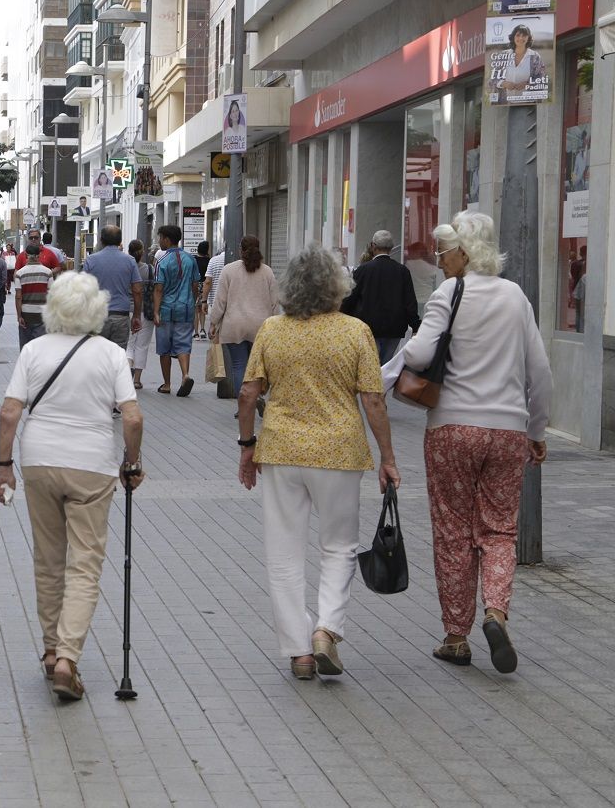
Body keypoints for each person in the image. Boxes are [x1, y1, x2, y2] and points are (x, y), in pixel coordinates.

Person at [385, 211, 552, 673]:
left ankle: (456, 637)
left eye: (443, 253)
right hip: (507, 431)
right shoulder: (516, 297)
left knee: (453, 530)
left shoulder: (450, 292)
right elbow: (540, 371)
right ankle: (496, 612)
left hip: (453, 428)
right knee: (499, 529)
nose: (439, 262)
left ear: (463, 251)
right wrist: (536, 431)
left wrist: (388, 369)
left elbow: (419, 353)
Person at [236, 243, 399, 679]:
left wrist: (247, 445)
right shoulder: (355, 332)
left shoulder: (272, 330)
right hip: (339, 452)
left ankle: (299, 651)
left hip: (283, 452)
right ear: (337, 287)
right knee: (339, 546)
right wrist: (388, 458)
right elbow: (373, 400)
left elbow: (248, 393)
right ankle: (326, 629)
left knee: (284, 551)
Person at [0, 271, 145, 701]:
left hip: (39, 461)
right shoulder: (112, 354)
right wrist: (131, 462)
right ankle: (67, 658)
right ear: (96, 309)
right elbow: (132, 417)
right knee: (85, 564)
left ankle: (49, 650)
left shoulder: (34, 350)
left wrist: (4, 466)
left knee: (48, 558)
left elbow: (9, 413)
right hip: (92, 466)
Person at [209, 235, 278, 409]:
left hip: (234, 325)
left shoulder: (229, 270)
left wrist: (213, 322)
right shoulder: (267, 271)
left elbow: (220, 301)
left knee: (239, 366)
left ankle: (245, 405)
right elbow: (275, 302)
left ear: (240, 249)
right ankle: (258, 396)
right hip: (261, 326)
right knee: (257, 367)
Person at [340, 230, 421, 364]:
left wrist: (342, 317)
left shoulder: (363, 270)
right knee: (387, 364)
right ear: (391, 247)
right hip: (394, 329)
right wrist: (416, 325)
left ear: (373, 246)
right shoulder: (402, 271)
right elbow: (410, 302)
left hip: (369, 328)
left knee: (370, 365)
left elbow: (351, 298)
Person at [152, 225, 201, 396]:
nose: (159, 241)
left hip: (166, 309)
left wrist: (156, 312)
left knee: (164, 348)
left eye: (160, 238)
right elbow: (196, 284)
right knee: (183, 344)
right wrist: (192, 301)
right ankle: (185, 375)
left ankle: (166, 384)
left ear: (166, 239)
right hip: (186, 308)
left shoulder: (161, 262)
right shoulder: (190, 259)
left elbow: (158, 289)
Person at [82, 225, 142, 352]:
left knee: (97, 355)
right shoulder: (130, 261)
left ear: (101, 240)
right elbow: (137, 290)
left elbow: (83, 288)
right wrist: (136, 315)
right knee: (118, 356)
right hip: (120, 316)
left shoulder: (91, 260)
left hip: (97, 316)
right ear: (120, 241)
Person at [125, 240, 155, 390]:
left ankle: (126, 376)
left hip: (127, 310)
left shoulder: (124, 268)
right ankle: (137, 380)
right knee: (142, 346)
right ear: (142, 252)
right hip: (146, 310)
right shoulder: (150, 269)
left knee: (129, 345)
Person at [14, 244, 53, 348]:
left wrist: (19, 316)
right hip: (42, 314)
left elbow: (18, 296)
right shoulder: (48, 272)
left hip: (26, 315)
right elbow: (51, 295)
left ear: (26, 255)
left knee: (25, 346)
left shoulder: (19, 274)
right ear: (39, 255)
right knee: (41, 347)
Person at [494, 25, 546, 103]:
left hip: (529, 103)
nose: (521, 38)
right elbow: (493, 78)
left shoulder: (535, 57)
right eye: (518, 35)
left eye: (524, 35)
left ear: (528, 38)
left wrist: (527, 84)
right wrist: (503, 83)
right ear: (513, 37)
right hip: (505, 104)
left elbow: (542, 79)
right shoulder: (504, 55)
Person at [200, 242, 226, 337]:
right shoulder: (238, 261)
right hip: (233, 304)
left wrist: (204, 301)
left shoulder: (214, 261)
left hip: (216, 302)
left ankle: (218, 349)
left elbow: (207, 282)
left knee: (216, 332)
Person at [192, 240, 212, 339]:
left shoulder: (194, 259)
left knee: (196, 310)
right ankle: (203, 329)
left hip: (195, 285)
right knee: (202, 309)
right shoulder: (209, 260)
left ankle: (196, 333)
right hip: (205, 286)